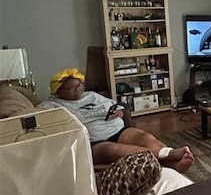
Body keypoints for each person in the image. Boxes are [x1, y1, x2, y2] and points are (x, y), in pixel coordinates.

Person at [40, 68, 195, 172]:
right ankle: (168, 164)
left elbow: (115, 105)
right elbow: (35, 118)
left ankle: (168, 154)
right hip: (94, 142)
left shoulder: (91, 95)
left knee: (145, 137)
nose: (78, 89)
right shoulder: (51, 105)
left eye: (79, 85)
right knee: (124, 151)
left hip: (118, 130)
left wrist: (120, 113)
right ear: (58, 91)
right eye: (72, 88)